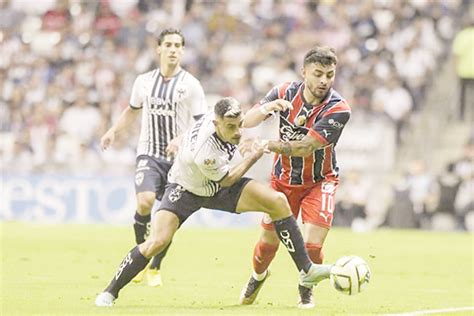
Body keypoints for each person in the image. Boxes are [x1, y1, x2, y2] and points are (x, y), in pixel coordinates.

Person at [95, 97, 333, 307]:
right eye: (231, 127)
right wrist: (254, 154)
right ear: (216, 123)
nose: (238, 131)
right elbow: (228, 179)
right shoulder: (205, 151)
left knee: (278, 202)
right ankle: (109, 292)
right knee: (157, 242)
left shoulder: (220, 116)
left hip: (215, 185)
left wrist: (268, 107)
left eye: (238, 125)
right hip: (186, 189)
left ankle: (307, 270)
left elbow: (246, 120)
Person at [239, 46, 351, 308]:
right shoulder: (283, 92)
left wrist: (267, 144)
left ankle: (305, 291)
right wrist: (268, 107)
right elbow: (247, 121)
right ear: (304, 72)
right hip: (282, 181)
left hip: (320, 181)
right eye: (318, 74)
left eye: (330, 75)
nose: (324, 80)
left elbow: (305, 147)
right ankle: (258, 276)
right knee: (268, 245)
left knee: (312, 245)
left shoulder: (338, 109)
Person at [100, 28, 206, 287]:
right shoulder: (144, 82)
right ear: (158, 49)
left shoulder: (191, 85)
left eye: (178, 45)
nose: (173, 49)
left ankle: (155, 266)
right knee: (145, 201)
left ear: (182, 50)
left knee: (167, 218)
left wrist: (182, 139)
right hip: (149, 153)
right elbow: (131, 110)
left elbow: (203, 122)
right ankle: (140, 256)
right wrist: (113, 131)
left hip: (180, 161)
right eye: (168, 44)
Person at [452, 15, 474, 121]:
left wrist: (455, 70)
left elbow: (456, 55)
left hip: (463, 71)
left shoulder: (461, 36)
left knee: (462, 96)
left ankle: (461, 115)